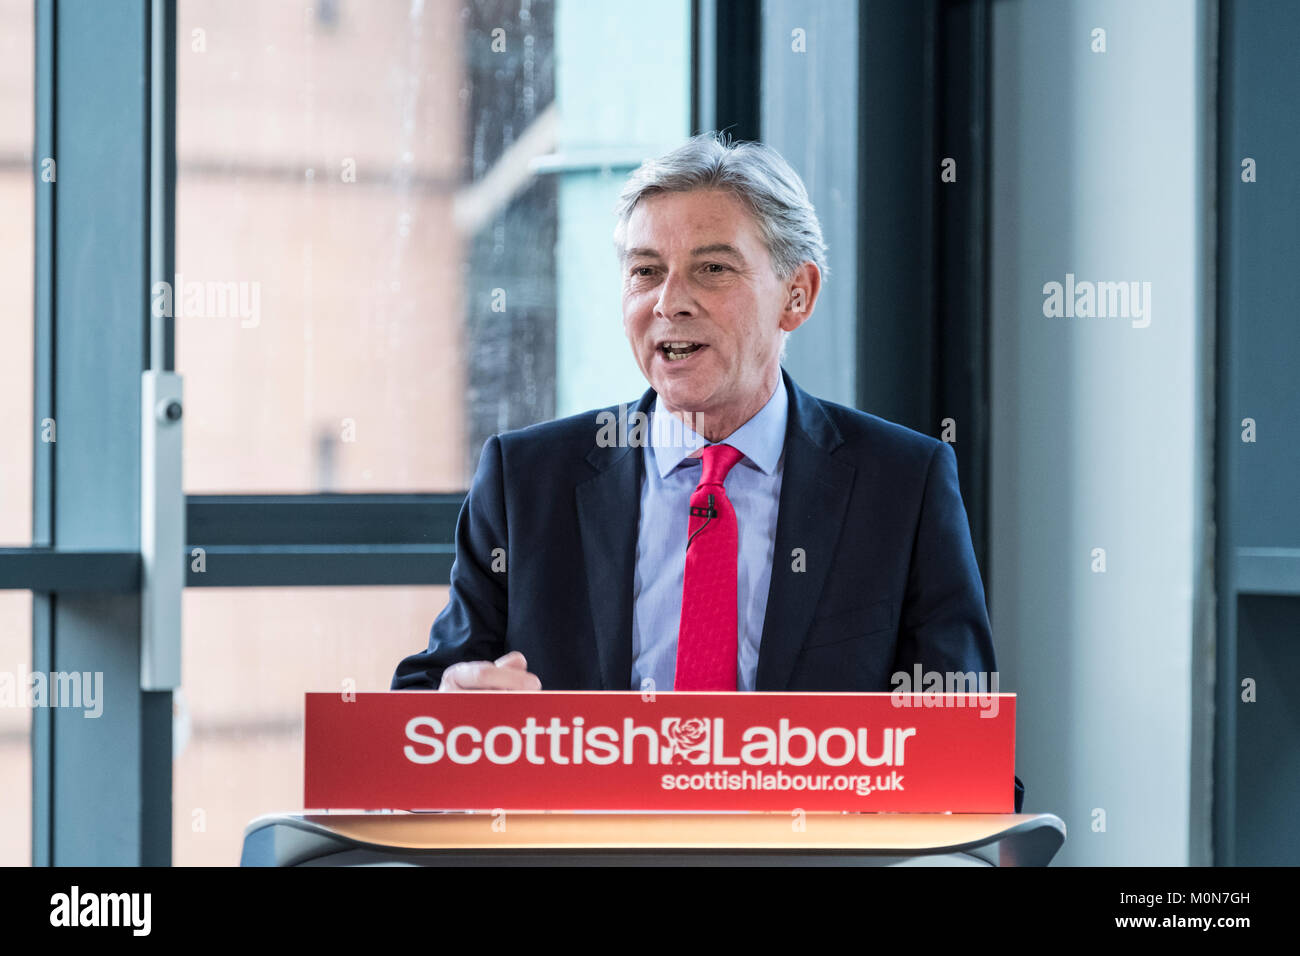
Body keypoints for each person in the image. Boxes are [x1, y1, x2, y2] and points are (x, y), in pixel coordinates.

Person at [394, 130, 997, 706]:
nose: (669, 301)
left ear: (798, 295)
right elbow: (424, 705)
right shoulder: (524, 480)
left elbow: (969, 757)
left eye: (712, 269)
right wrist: (454, 708)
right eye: (646, 271)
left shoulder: (901, 485)